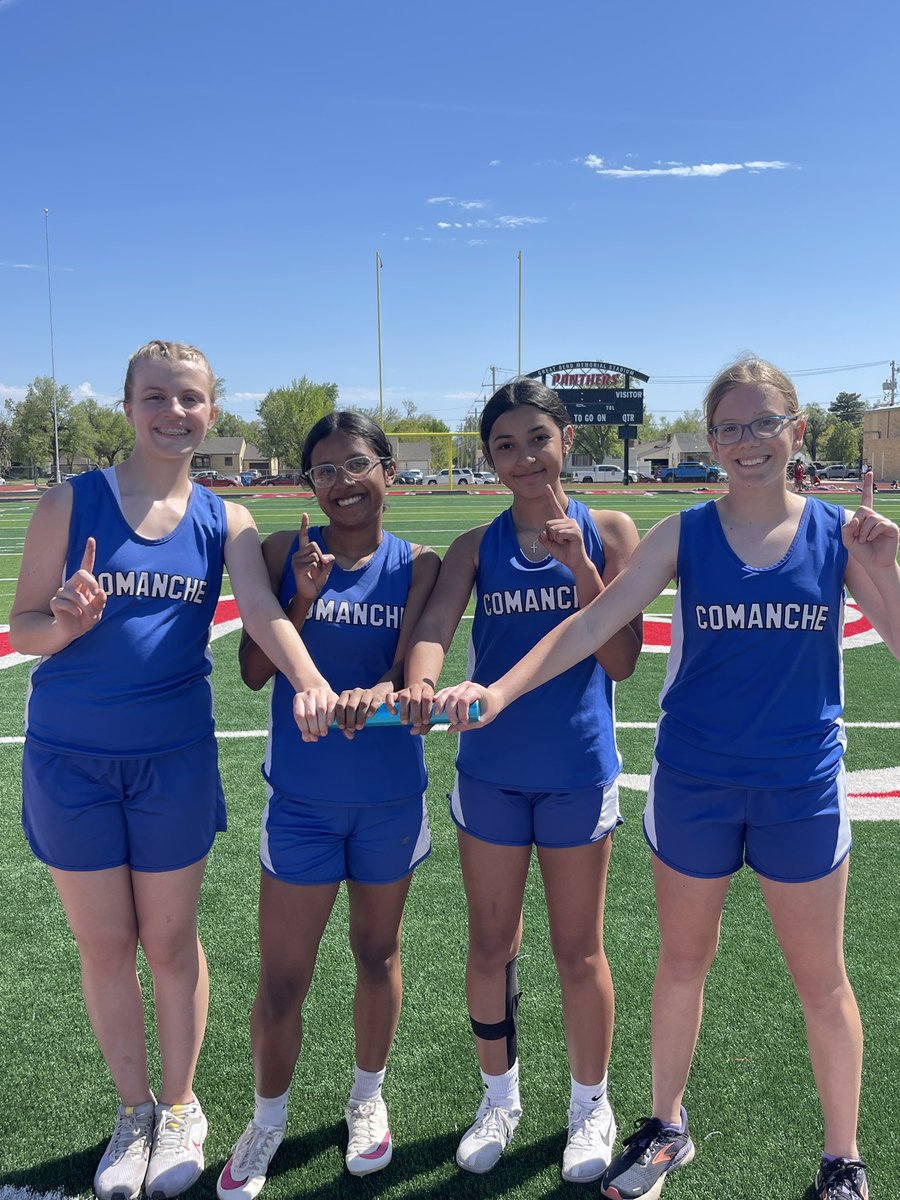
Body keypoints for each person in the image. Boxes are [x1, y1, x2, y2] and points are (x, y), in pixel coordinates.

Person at [434, 357, 900, 1200]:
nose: (746, 442)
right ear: (711, 439)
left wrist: (890, 569)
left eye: (764, 423)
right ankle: (666, 1128)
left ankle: (842, 1159)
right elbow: (596, 623)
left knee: (822, 980)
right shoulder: (684, 531)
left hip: (801, 787)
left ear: (796, 430)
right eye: (729, 427)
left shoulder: (841, 533)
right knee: (681, 963)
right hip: (696, 784)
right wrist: (497, 690)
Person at [9, 341, 333, 1200]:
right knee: (105, 944)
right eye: (156, 397)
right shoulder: (69, 503)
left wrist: (311, 683)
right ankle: (134, 1111)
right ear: (126, 407)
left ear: (212, 411)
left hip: (173, 762)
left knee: (168, 941)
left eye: (190, 398)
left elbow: (261, 610)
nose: (174, 412)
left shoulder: (224, 520)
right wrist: (66, 621)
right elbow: (25, 630)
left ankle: (183, 1107)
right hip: (70, 761)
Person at [392, 378, 642, 1183]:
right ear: (490, 458)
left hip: (576, 768)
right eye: (505, 445)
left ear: (567, 439)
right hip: (491, 773)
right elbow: (433, 627)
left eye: (537, 438)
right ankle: (499, 1097)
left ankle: (589, 1105)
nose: (523, 457)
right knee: (492, 943)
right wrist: (425, 682)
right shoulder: (476, 544)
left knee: (578, 951)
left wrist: (582, 568)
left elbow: (622, 660)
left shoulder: (608, 528)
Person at [216, 412, 440, 1199]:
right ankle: (268, 1118)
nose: (342, 483)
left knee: (378, 955)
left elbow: (413, 664)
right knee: (283, 978)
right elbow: (251, 670)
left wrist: (387, 689)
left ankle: (367, 1099)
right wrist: (302, 599)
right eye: (324, 471)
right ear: (309, 483)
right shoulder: (283, 553)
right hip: (304, 804)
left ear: (387, 470)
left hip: (387, 798)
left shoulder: (420, 564)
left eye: (357, 464)